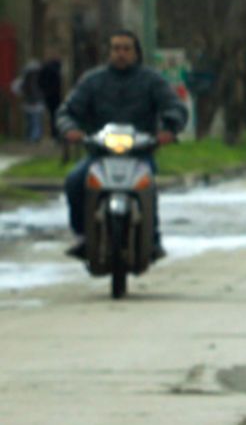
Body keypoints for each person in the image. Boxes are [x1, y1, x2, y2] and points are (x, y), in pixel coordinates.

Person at [54, 30, 186, 259]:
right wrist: (70, 129)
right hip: (100, 154)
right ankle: (83, 236)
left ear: (136, 52)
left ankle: (151, 238)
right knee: (75, 181)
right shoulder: (92, 81)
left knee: (148, 187)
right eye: (116, 48)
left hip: (139, 154)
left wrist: (169, 128)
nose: (121, 53)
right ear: (109, 52)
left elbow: (175, 106)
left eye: (126, 48)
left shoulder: (152, 80)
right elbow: (67, 111)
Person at [10, 60, 46, 142]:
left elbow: (15, 89)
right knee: (35, 121)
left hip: (28, 103)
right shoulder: (39, 78)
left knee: (31, 122)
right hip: (36, 103)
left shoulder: (24, 79)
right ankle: (34, 137)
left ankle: (31, 137)